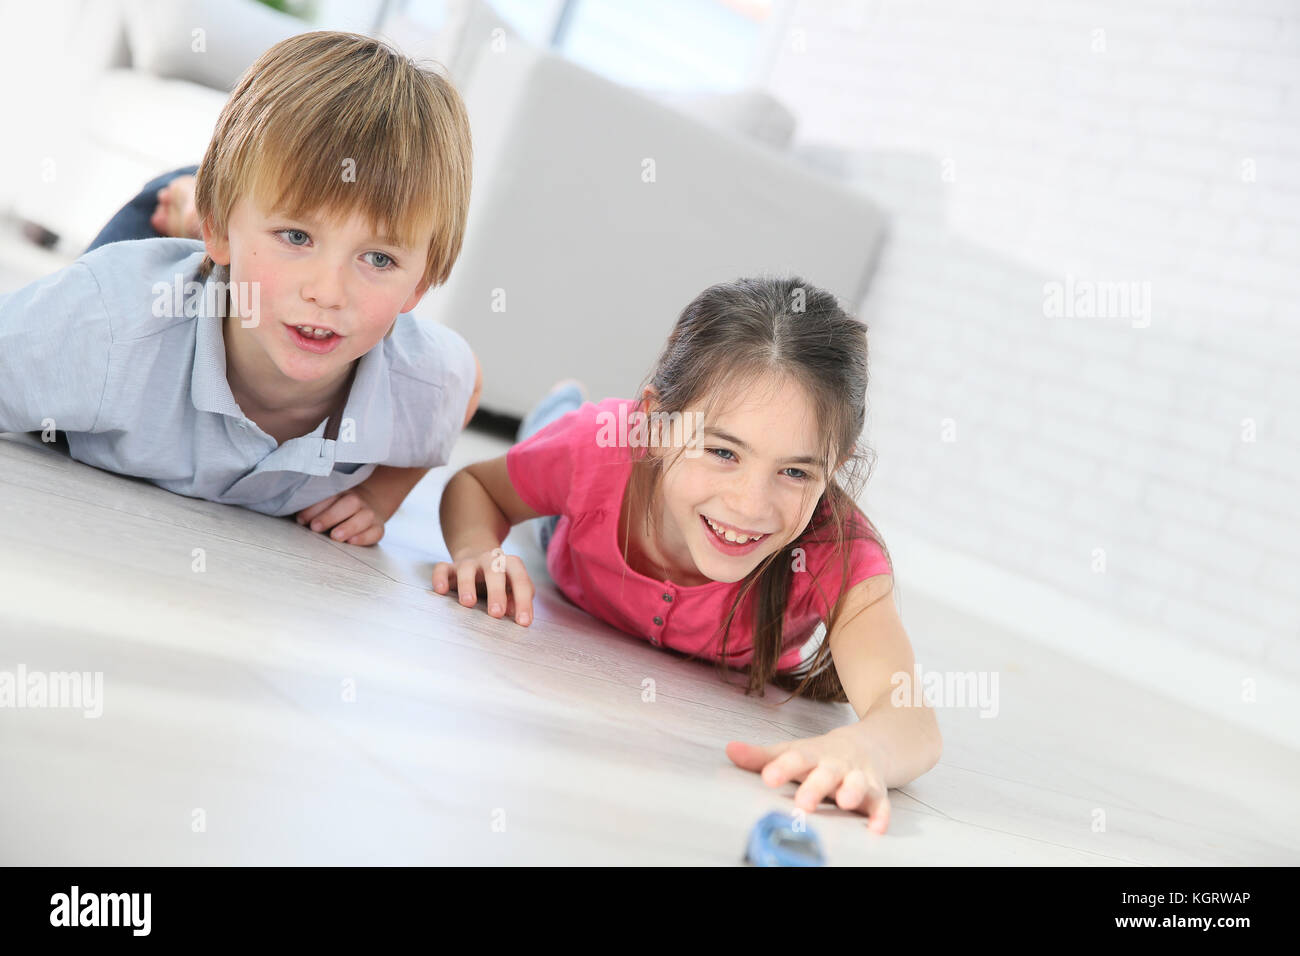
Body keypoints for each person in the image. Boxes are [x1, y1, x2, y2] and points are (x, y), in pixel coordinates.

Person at [433, 277, 941, 833]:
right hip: (568, 522)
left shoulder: (836, 551)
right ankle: (559, 403)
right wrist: (479, 550)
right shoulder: (597, 452)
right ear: (654, 422)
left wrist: (864, 749)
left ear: (836, 467)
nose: (749, 505)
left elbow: (910, 720)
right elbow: (477, 489)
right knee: (553, 427)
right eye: (723, 451)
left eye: (795, 471)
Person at [0, 31, 482, 545]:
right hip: (173, 273)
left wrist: (378, 497)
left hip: (230, 235)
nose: (328, 292)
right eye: (297, 236)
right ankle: (186, 197)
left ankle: (225, 206)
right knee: (180, 225)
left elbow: (465, 386)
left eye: (379, 258)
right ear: (218, 228)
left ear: (420, 287)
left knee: (257, 208)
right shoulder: (108, 323)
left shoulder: (420, 381)